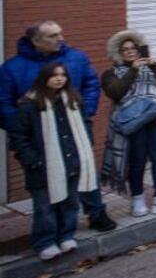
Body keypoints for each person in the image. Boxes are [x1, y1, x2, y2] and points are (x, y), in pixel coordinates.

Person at [0, 21, 116, 232]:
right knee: (46, 183)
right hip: (42, 137)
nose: (60, 39)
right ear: (35, 41)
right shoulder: (13, 68)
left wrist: (85, 111)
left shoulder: (76, 58)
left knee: (85, 171)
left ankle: (96, 212)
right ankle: (53, 230)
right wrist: (22, 130)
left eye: (60, 34)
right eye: (52, 36)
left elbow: (91, 84)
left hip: (75, 129)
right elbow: (3, 102)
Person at [9, 62, 98, 260]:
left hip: (73, 161)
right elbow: (18, 136)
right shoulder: (30, 105)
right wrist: (33, 160)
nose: (59, 79)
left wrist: (86, 145)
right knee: (45, 207)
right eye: (54, 75)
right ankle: (45, 241)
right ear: (44, 78)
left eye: (63, 75)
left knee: (70, 203)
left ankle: (66, 236)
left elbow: (86, 123)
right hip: (43, 167)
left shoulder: (73, 100)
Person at [99, 31, 156, 217]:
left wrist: (153, 64)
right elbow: (115, 93)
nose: (130, 52)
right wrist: (133, 70)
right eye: (125, 49)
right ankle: (137, 199)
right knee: (136, 161)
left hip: (155, 121)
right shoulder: (111, 73)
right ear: (118, 53)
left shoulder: (149, 68)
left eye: (133, 48)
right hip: (131, 125)